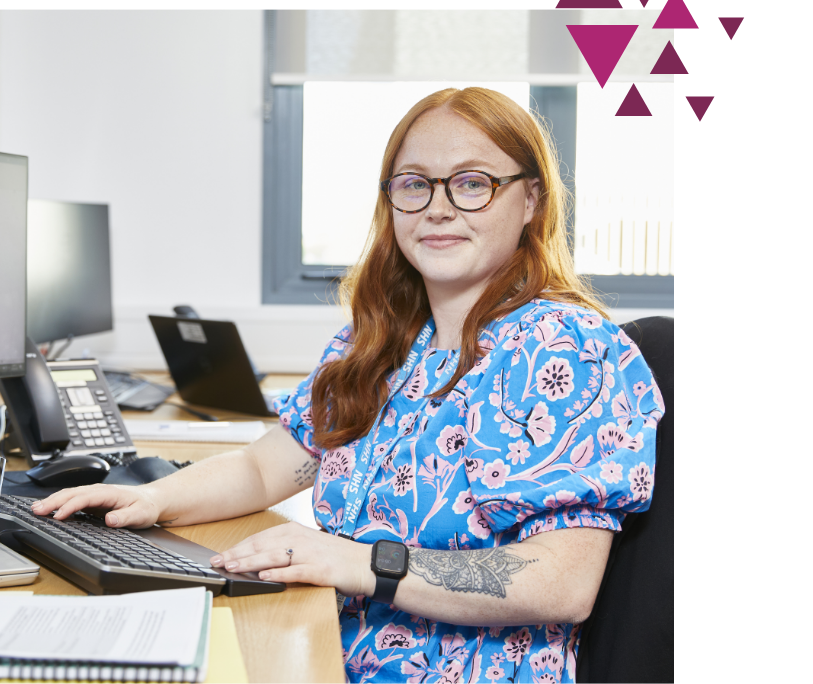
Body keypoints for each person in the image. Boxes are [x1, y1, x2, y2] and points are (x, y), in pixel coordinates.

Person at [32, 87, 663, 684]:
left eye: (473, 184)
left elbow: (560, 584)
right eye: (414, 185)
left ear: (530, 203)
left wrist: (355, 561)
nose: (438, 206)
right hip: (331, 650)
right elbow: (263, 470)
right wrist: (150, 500)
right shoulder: (380, 343)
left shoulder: (564, 349)